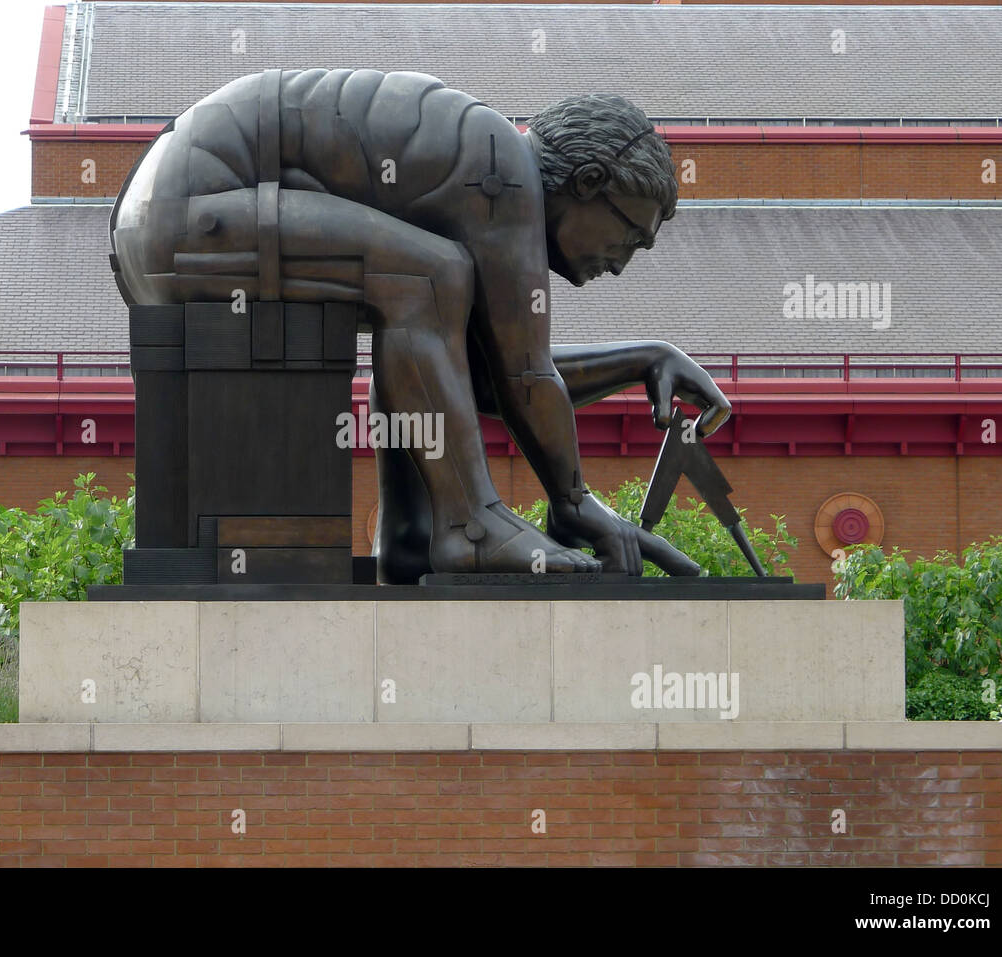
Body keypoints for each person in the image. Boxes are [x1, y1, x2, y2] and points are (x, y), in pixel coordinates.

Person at [111, 68, 730, 581]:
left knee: (419, 306)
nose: (620, 264)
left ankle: (413, 539)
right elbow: (522, 374)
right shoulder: (503, 168)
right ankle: (468, 526)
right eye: (629, 235)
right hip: (190, 215)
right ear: (589, 183)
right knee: (427, 278)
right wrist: (572, 502)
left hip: (170, 224)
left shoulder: (486, 167)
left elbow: (481, 378)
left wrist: (644, 359)